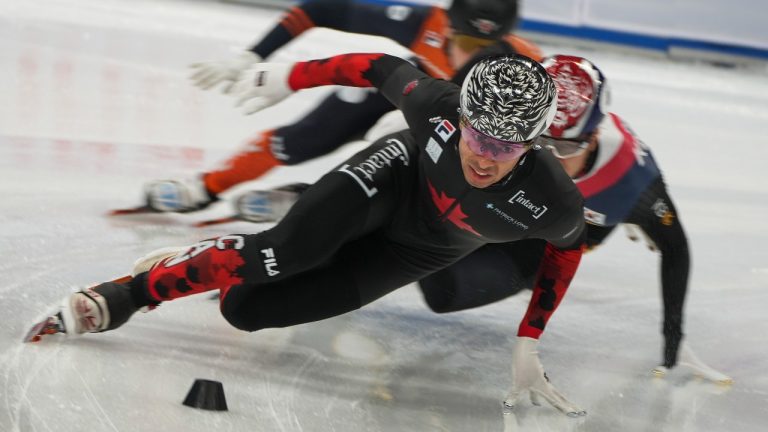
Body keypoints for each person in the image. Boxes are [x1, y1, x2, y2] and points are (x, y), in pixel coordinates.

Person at [52, 53, 588, 416]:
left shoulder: (555, 202)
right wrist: (291, 76)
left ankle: (207, 262)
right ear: (462, 116)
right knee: (283, 252)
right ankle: (127, 293)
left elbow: (567, 253)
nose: (483, 157)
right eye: (476, 135)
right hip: (396, 175)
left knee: (246, 310)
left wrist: (528, 339)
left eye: (505, 147)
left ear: (536, 144)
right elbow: (380, 67)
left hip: (417, 253)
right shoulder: (438, 108)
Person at [233, 55, 732, 383]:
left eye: (560, 148)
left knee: (444, 291)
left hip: (522, 242)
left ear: (595, 137)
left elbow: (677, 246)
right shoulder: (516, 117)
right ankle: (309, 217)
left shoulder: (631, 179)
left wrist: (674, 339)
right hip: (462, 198)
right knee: (402, 186)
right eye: (536, 141)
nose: (544, 159)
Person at [136, 0, 543, 213]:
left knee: (393, 163)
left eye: (484, 49)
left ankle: (317, 202)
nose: (468, 56)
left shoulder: (525, 69)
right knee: (301, 138)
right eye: (465, 42)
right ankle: (207, 186)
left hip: (453, 127)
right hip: (408, 89)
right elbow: (321, 8)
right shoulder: (426, 23)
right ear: (447, 25)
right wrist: (253, 55)